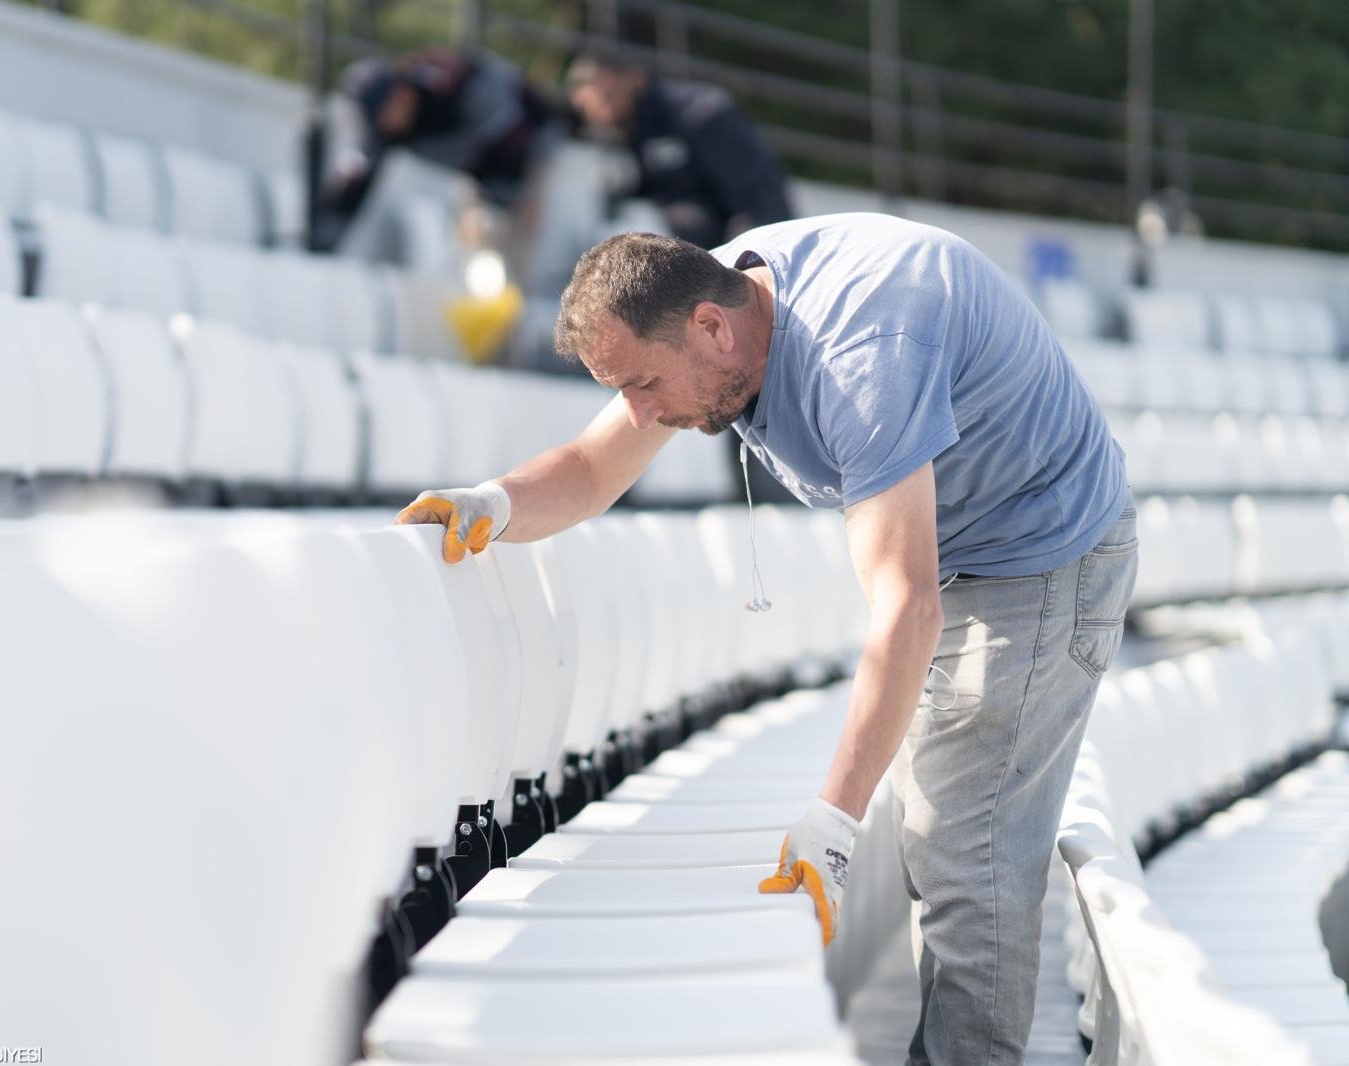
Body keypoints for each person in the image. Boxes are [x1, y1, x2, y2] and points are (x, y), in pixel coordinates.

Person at [396, 216, 1137, 1066]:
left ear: (712, 327)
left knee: (967, 848)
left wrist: (832, 820)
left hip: (1039, 552)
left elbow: (907, 604)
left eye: (641, 385)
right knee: (941, 836)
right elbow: (593, 470)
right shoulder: (705, 303)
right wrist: (493, 503)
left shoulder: (864, 358)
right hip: (962, 548)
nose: (640, 414)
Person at [317, 48, 551, 248]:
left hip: (533, 141)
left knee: (515, 231)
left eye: (388, 110)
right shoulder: (387, 131)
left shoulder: (447, 84)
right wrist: (327, 234)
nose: (387, 123)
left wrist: (516, 196)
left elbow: (511, 132)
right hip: (480, 171)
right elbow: (358, 179)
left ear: (400, 94)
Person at [565, 50, 793, 248]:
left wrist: (743, 263)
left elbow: (758, 198)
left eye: (608, 100)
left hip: (732, 247)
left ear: (636, 79)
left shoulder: (701, 113)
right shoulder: (621, 134)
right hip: (687, 254)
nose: (603, 115)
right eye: (588, 110)